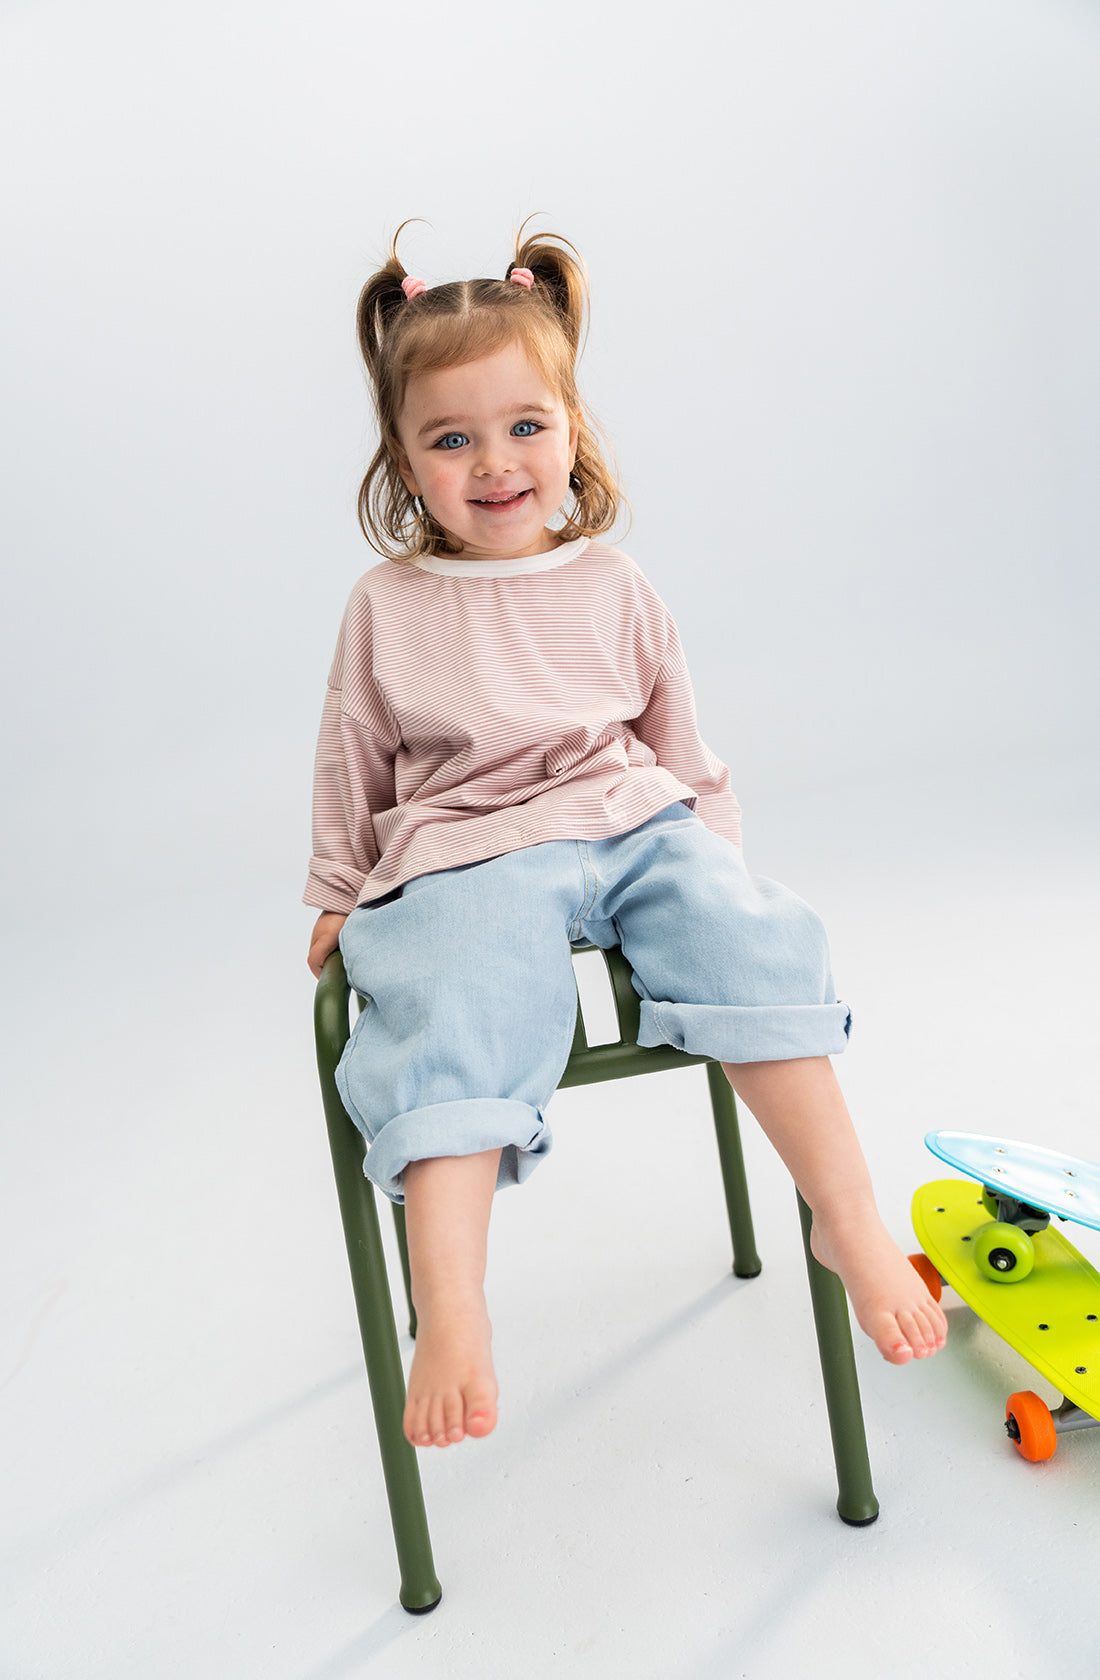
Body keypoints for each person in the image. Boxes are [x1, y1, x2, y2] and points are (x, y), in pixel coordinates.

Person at [305, 225, 947, 1452]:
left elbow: (678, 739)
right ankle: (450, 1304)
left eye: (523, 427)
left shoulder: (612, 582)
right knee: (453, 1007)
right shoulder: (387, 606)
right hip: (468, 846)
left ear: (570, 427)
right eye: (451, 439)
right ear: (404, 458)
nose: (494, 464)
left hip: (626, 815)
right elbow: (353, 761)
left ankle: (847, 1213)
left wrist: (709, 856)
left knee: (749, 939)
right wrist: (339, 891)